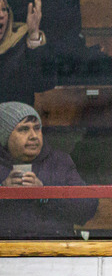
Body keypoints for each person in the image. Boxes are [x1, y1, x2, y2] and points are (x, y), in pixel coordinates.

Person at [0, 102, 97, 239]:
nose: (33, 136)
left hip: (55, 247)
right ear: (3, 135)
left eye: (37, 128)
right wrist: (3, 190)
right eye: (24, 129)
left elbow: (87, 209)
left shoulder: (59, 162)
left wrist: (45, 194)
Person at [0, 0, 52, 105]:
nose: (1, 15)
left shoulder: (20, 44)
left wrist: (34, 36)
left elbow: (43, 83)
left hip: (17, 115)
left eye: (4, 9)